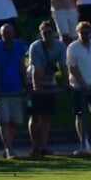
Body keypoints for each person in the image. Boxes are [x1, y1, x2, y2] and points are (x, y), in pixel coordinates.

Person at [65, 20, 91, 155]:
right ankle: (85, 144)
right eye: (81, 33)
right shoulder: (72, 47)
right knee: (80, 116)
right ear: (78, 33)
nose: (84, 35)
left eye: (86, 33)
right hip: (79, 87)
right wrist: (84, 84)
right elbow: (72, 68)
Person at [0, 20, 27, 160]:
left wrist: (25, 84)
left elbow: (22, 67)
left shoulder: (19, 46)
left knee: (13, 120)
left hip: (16, 88)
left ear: (13, 34)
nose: (8, 35)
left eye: (10, 33)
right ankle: (9, 148)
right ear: (1, 34)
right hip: (1, 89)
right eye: (5, 33)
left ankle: (8, 146)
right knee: (3, 120)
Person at [25, 19, 62, 158]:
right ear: (40, 34)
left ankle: (44, 146)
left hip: (49, 83)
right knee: (35, 116)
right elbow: (36, 69)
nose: (47, 34)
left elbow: (63, 66)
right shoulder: (35, 46)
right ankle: (35, 146)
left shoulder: (60, 46)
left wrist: (67, 84)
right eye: (44, 32)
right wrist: (36, 86)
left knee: (46, 116)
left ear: (54, 33)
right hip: (33, 81)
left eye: (49, 32)